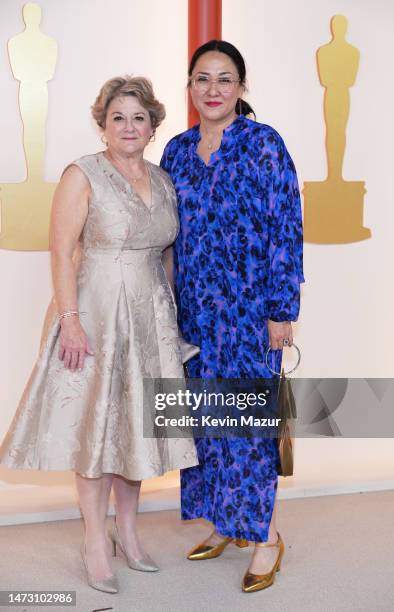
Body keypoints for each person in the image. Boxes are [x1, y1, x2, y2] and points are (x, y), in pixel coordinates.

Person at [0, 76, 198, 594]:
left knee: (137, 429)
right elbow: (62, 251)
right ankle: (94, 540)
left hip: (150, 317)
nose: (129, 127)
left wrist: (172, 323)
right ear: (103, 124)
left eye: (139, 117)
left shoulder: (163, 179)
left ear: (153, 125)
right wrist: (69, 319)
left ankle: (128, 535)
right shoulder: (81, 174)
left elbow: (168, 255)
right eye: (118, 118)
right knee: (95, 431)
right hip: (94, 317)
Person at [160, 40, 304, 593]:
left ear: (241, 87)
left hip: (248, 312)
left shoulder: (265, 145)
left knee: (246, 428)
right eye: (202, 78)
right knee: (205, 426)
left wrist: (280, 311)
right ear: (190, 87)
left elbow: (286, 230)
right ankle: (228, 523)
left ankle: (264, 536)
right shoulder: (175, 151)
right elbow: (169, 236)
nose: (213, 89)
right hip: (194, 311)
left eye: (225, 79)